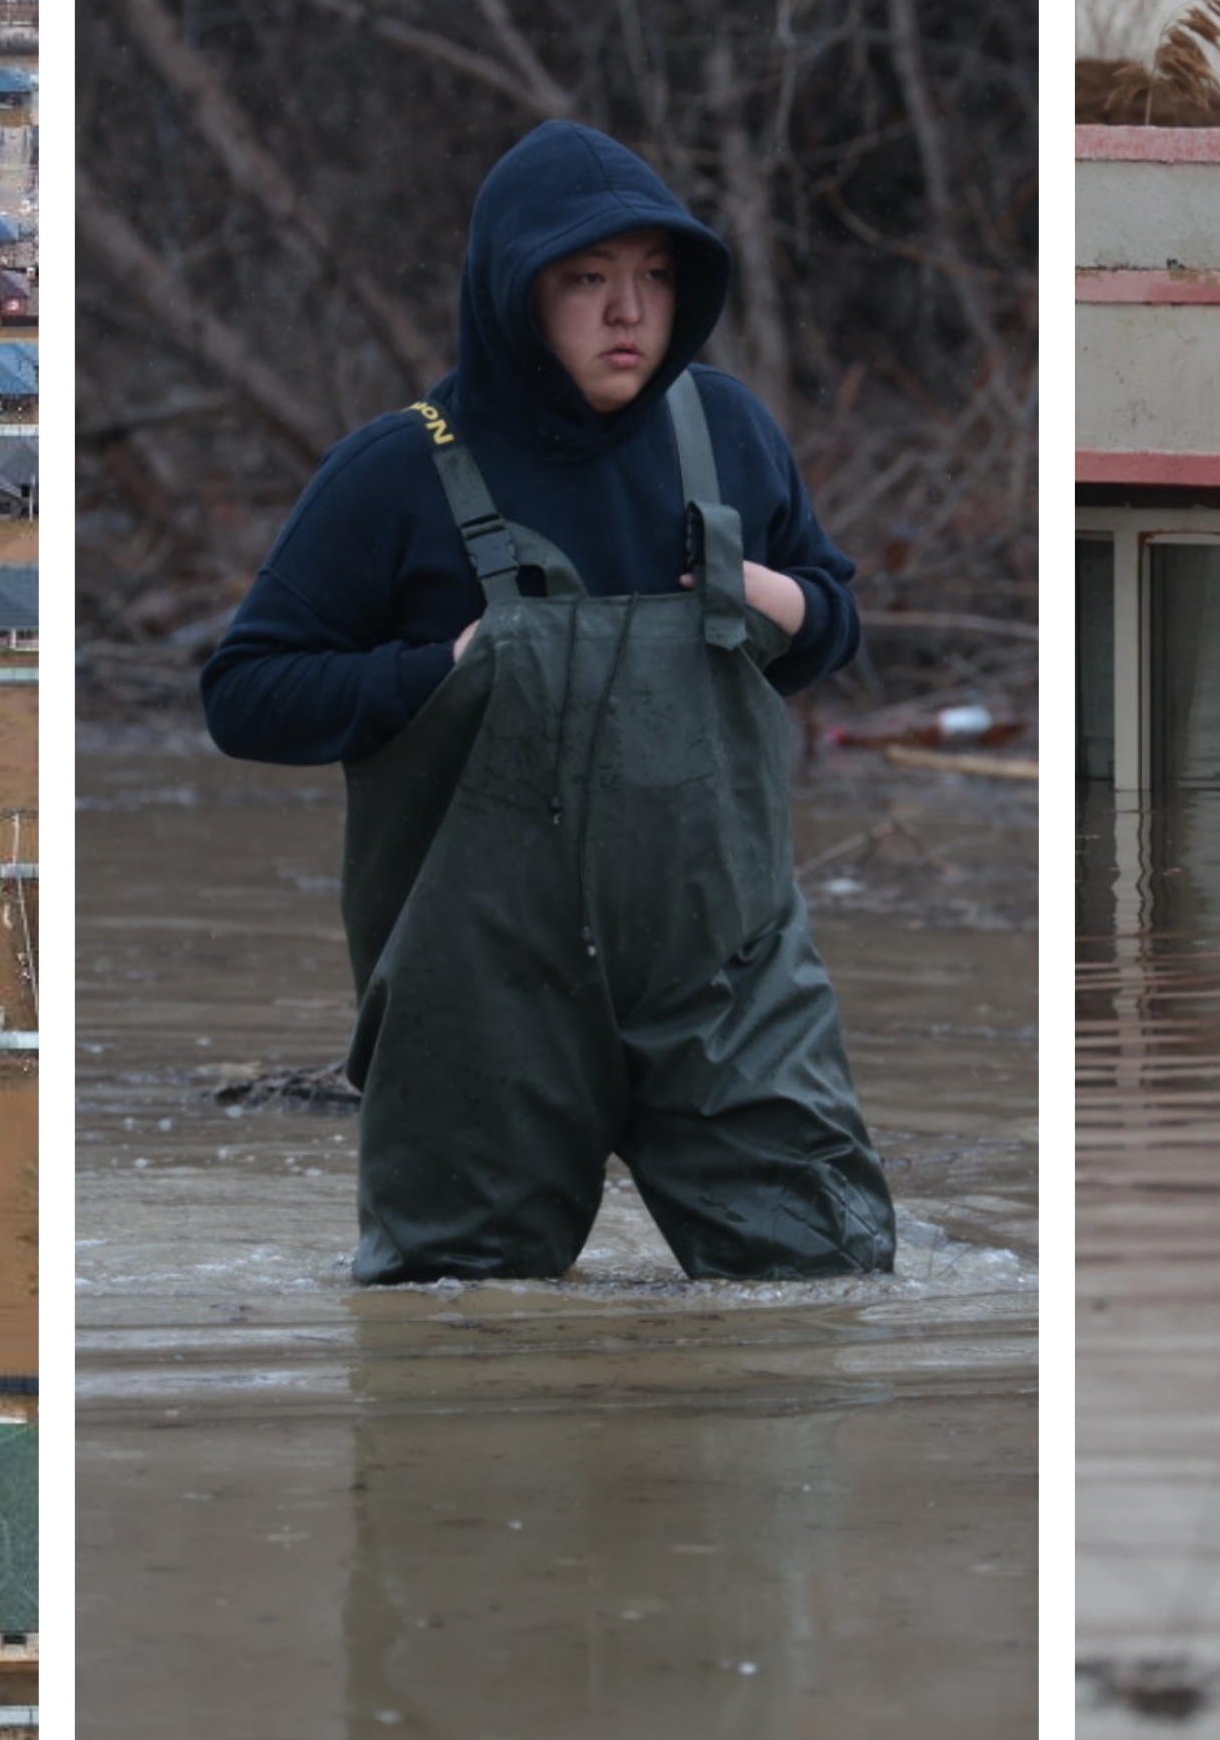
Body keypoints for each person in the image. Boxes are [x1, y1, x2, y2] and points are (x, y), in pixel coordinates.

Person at [202, 120, 895, 1285]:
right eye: (586, 280)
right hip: (482, 999)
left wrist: (791, 602)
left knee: (820, 1287)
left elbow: (832, 617)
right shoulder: (397, 471)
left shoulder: (728, 432)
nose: (628, 313)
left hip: (729, 979)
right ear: (513, 294)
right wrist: (443, 664)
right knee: (456, 1334)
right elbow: (244, 694)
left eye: (654, 278)